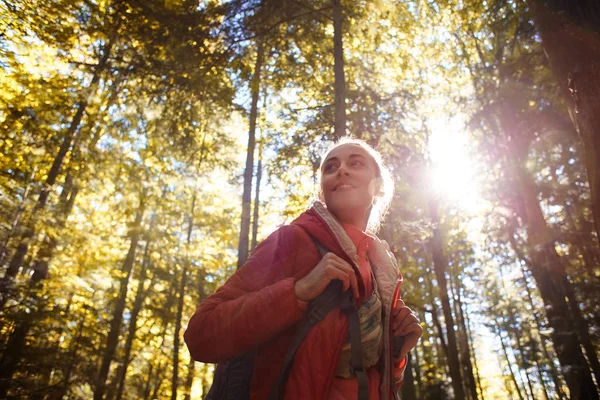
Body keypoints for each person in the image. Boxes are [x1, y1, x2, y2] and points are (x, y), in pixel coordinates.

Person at [184, 137, 423, 400]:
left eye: (355, 163)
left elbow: (372, 378)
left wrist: (398, 354)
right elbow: (201, 335)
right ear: (323, 190)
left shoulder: (383, 270)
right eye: (330, 168)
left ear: (378, 187)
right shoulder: (291, 241)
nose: (341, 170)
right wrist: (298, 292)